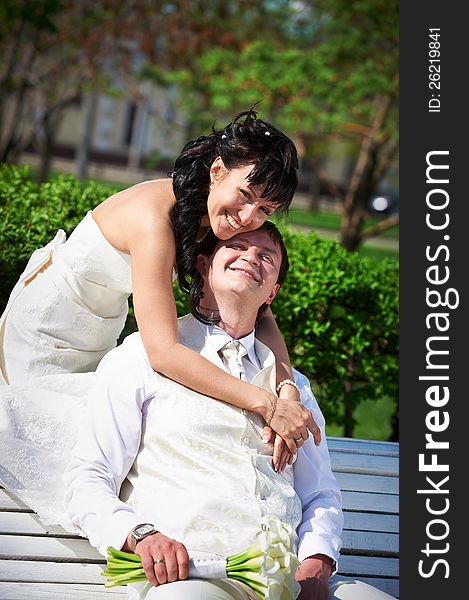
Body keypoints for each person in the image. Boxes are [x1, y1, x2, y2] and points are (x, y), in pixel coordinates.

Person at [0, 110, 319, 524]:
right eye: (245, 195)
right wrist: (265, 404)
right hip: (44, 338)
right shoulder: (153, 221)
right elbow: (164, 354)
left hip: (98, 335)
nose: (248, 218)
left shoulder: (213, 218)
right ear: (218, 170)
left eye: (265, 209)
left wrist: (286, 389)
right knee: (96, 444)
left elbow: (263, 316)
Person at [64, 224, 395, 600]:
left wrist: (316, 563)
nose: (252, 256)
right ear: (204, 264)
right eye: (236, 245)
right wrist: (141, 535)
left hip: (290, 582)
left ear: (272, 292)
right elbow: (88, 478)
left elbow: (319, 494)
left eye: (266, 256)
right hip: (190, 578)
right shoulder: (138, 358)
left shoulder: (293, 389)